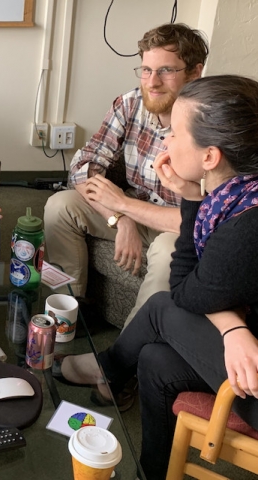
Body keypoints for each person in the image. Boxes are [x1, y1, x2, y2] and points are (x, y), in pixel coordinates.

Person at [55, 75, 258, 479]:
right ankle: (152, 473)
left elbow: (185, 291)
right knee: (155, 360)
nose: (165, 143)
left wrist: (186, 198)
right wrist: (234, 327)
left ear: (210, 157)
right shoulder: (237, 197)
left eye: (176, 134)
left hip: (253, 382)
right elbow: (212, 288)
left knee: (162, 306)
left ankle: (107, 367)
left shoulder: (245, 226)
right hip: (248, 349)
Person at [44, 23, 209, 328]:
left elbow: (203, 219)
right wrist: (120, 218)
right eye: (146, 70)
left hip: (180, 222)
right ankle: (69, 311)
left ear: (195, 72)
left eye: (166, 71)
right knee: (60, 206)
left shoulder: (210, 123)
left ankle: (127, 353)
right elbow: (83, 167)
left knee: (167, 250)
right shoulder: (131, 104)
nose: (153, 82)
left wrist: (124, 205)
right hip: (137, 204)